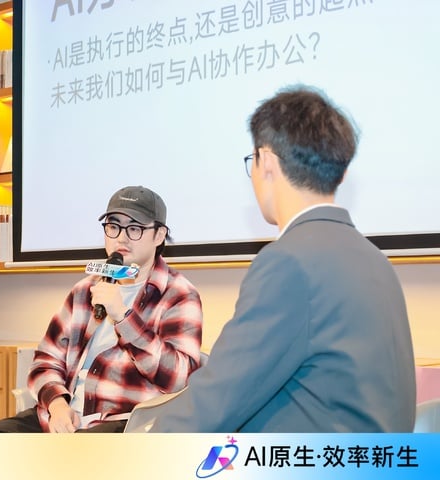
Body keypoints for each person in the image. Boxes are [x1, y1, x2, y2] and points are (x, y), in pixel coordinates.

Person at [149, 85, 416, 433]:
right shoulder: (376, 260)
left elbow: (216, 400)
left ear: (267, 162)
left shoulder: (288, 262)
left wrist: (139, 448)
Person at [0, 186, 204, 432]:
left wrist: (124, 318)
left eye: (134, 228)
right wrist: (57, 405)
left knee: (75, 454)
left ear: (159, 235)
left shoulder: (179, 295)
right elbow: (45, 361)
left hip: (124, 425)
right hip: (58, 418)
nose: (121, 238)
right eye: (113, 226)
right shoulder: (84, 290)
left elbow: (180, 380)